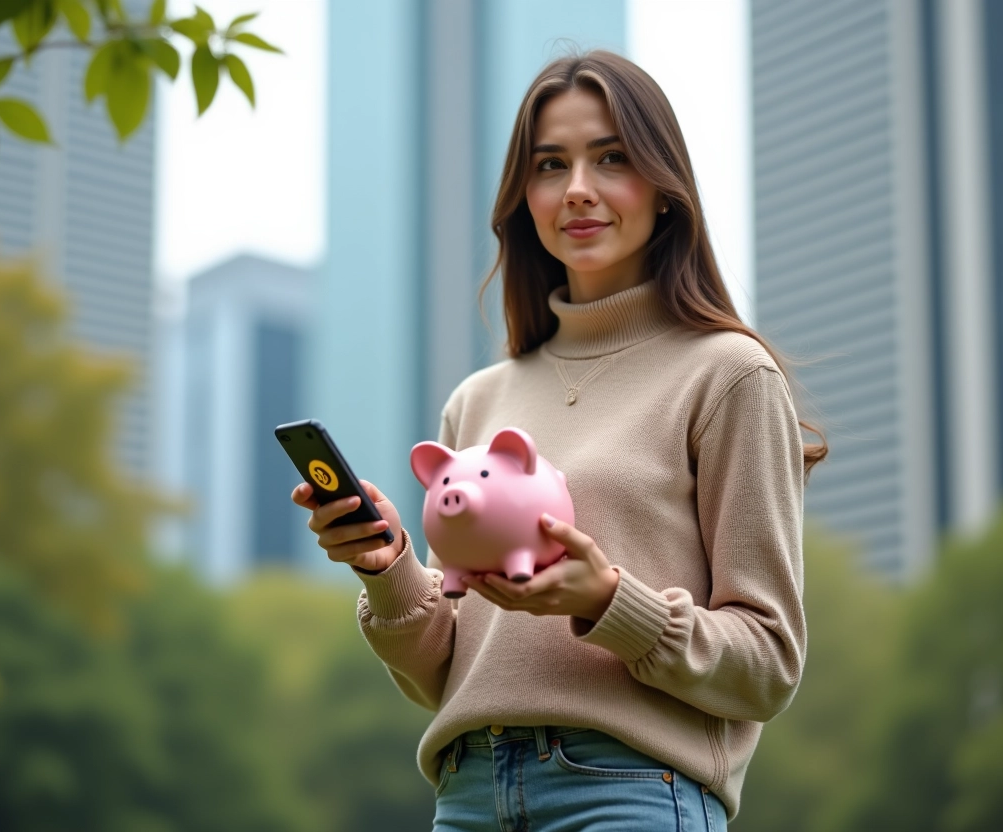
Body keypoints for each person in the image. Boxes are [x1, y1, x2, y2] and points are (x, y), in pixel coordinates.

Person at [291, 49, 826, 831]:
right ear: (524, 199)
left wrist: (608, 600)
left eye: (611, 157)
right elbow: (442, 672)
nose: (577, 188)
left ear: (665, 189)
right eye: (551, 165)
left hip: (631, 791)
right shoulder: (477, 401)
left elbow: (768, 667)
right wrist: (390, 569)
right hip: (467, 795)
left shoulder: (729, 377)